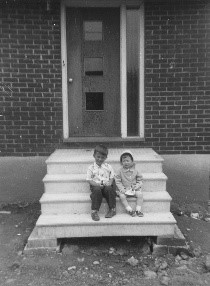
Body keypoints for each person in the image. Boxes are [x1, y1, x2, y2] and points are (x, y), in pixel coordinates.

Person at [86, 144, 116, 221]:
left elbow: (112, 176)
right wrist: (97, 185)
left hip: (106, 185)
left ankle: (112, 209)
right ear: (94, 156)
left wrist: (110, 182)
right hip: (95, 185)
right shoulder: (91, 168)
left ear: (106, 157)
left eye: (102, 158)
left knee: (110, 189)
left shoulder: (108, 166)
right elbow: (89, 180)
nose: (100, 159)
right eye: (98, 157)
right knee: (96, 190)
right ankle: (94, 211)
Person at [115, 150, 144, 217]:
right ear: (121, 162)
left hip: (134, 189)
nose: (125, 163)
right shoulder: (119, 171)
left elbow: (140, 180)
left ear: (132, 161)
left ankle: (138, 210)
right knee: (122, 196)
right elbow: (118, 181)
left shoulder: (136, 170)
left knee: (140, 195)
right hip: (125, 189)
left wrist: (136, 186)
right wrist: (122, 189)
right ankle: (129, 209)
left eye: (127, 161)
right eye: (123, 161)